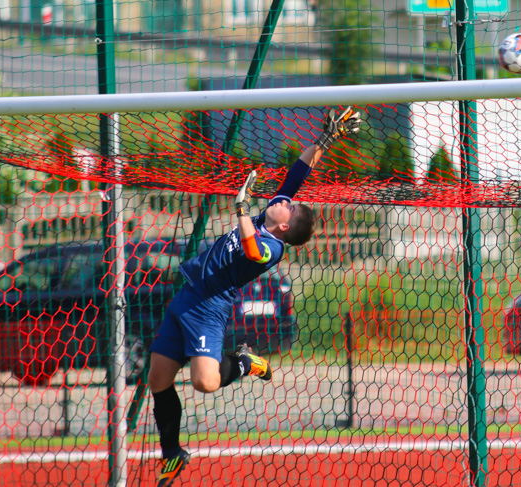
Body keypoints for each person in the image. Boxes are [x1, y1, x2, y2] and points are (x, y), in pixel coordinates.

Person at [149, 107, 363, 487]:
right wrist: (325, 139)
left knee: (206, 383)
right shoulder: (272, 213)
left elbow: (251, 250)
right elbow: (300, 171)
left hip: (208, 309)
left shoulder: (271, 246)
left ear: (283, 225)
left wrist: (241, 209)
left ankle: (245, 362)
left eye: (289, 206)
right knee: (158, 379)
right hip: (187, 296)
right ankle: (171, 453)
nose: (285, 199)